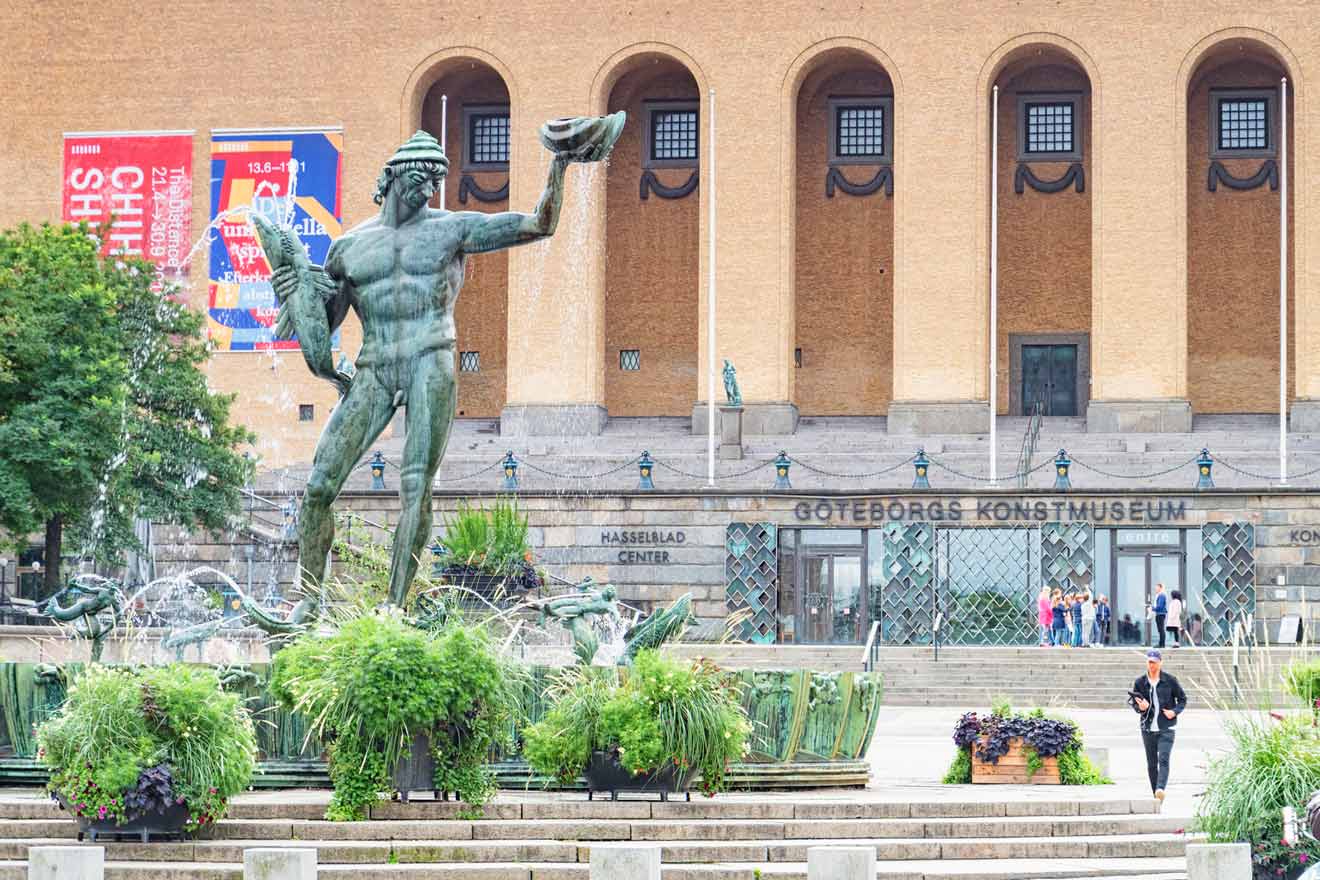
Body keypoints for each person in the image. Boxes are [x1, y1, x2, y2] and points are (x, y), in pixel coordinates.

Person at [268, 129, 590, 608]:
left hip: (430, 359)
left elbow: (538, 225)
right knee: (319, 486)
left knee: (415, 486)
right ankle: (308, 602)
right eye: (421, 176)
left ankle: (393, 609)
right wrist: (293, 292)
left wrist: (560, 166)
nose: (429, 187)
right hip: (374, 367)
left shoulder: (451, 230)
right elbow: (320, 327)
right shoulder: (347, 248)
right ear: (393, 175)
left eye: (436, 178)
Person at [1129, 649, 1187, 809]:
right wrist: (1141, 707)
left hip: (1167, 727)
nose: (1152, 665)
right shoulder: (1140, 682)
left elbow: (1182, 699)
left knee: (1164, 759)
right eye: (1149, 662)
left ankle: (1160, 788)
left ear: (1160, 662)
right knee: (1151, 763)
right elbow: (1134, 703)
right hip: (1147, 728)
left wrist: (1174, 712)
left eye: (1154, 662)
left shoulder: (1170, 680)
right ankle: (1156, 794)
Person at [1152, 583, 1169, 648]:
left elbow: (1160, 606)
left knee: (1161, 629)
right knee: (1160, 629)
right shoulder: (1159, 595)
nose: (1155, 589)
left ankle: (1162, 644)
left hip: (1160, 614)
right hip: (1159, 614)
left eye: (1157, 587)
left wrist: (1152, 608)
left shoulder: (1161, 595)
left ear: (1160, 588)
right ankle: (1161, 643)